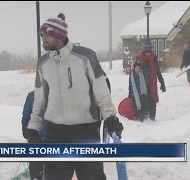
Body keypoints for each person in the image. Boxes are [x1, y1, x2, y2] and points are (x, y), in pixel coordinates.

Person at [24, 13, 124, 180]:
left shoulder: (86, 57)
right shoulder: (43, 63)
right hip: (55, 133)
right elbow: (39, 101)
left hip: (85, 131)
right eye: (41, 35)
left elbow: (101, 91)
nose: (43, 39)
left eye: (46, 34)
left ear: (59, 36)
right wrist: (33, 129)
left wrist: (110, 118)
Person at [137, 43, 166, 121]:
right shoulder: (139, 59)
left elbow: (158, 72)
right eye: (146, 52)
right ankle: (145, 118)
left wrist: (162, 83)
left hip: (152, 84)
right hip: (143, 85)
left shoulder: (154, 59)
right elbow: (135, 74)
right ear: (144, 52)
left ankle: (152, 118)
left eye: (149, 52)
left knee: (153, 101)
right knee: (144, 101)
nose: (148, 54)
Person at [21, 91, 47, 180]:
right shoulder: (32, 96)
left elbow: (25, 117)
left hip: (48, 134)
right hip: (37, 134)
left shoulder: (32, 95)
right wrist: (26, 130)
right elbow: (25, 117)